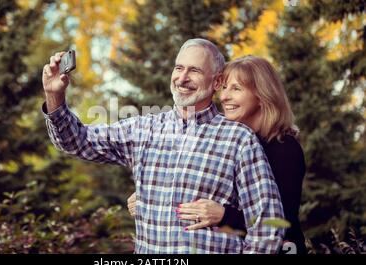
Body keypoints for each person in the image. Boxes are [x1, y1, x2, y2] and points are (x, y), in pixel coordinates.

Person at [41, 38, 285, 253]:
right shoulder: (142, 129)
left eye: (194, 70)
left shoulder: (239, 139)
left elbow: (267, 224)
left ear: (217, 81)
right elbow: (76, 141)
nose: (182, 78)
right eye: (178, 68)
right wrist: (55, 97)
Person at [127, 55, 307, 254]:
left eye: (236, 89)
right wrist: (152, 194)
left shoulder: (284, 149)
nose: (224, 97)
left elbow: (279, 222)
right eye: (224, 88)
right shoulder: (228, 141)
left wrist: (224, 215)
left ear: (262, 95)